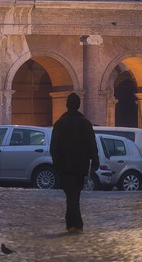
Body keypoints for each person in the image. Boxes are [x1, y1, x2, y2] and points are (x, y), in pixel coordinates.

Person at [50, 92, 99, 234]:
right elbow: (92, 145)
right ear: (78, 105)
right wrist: (94, 164)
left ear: (67, 105)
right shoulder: (85, 124)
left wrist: (57, 164)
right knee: (74, 194)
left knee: (71, 195)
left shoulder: (60, 124)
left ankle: (75, 223)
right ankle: (73, 223)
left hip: (65, 167)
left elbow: (54, 147)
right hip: (81, 166)